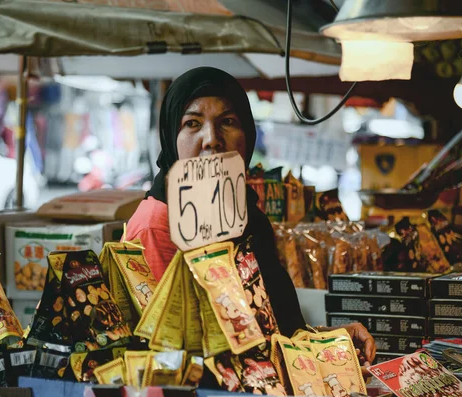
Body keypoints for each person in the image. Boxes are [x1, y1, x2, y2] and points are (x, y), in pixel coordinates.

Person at [125, 67, 375, 365]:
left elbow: (265, 329)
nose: (211, 139)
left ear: (248, 135)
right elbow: (169, 357)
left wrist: (325, 339)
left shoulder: (248, 217)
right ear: (170, 135)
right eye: (192, 123)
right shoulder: (157, 224)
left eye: (227, 122)